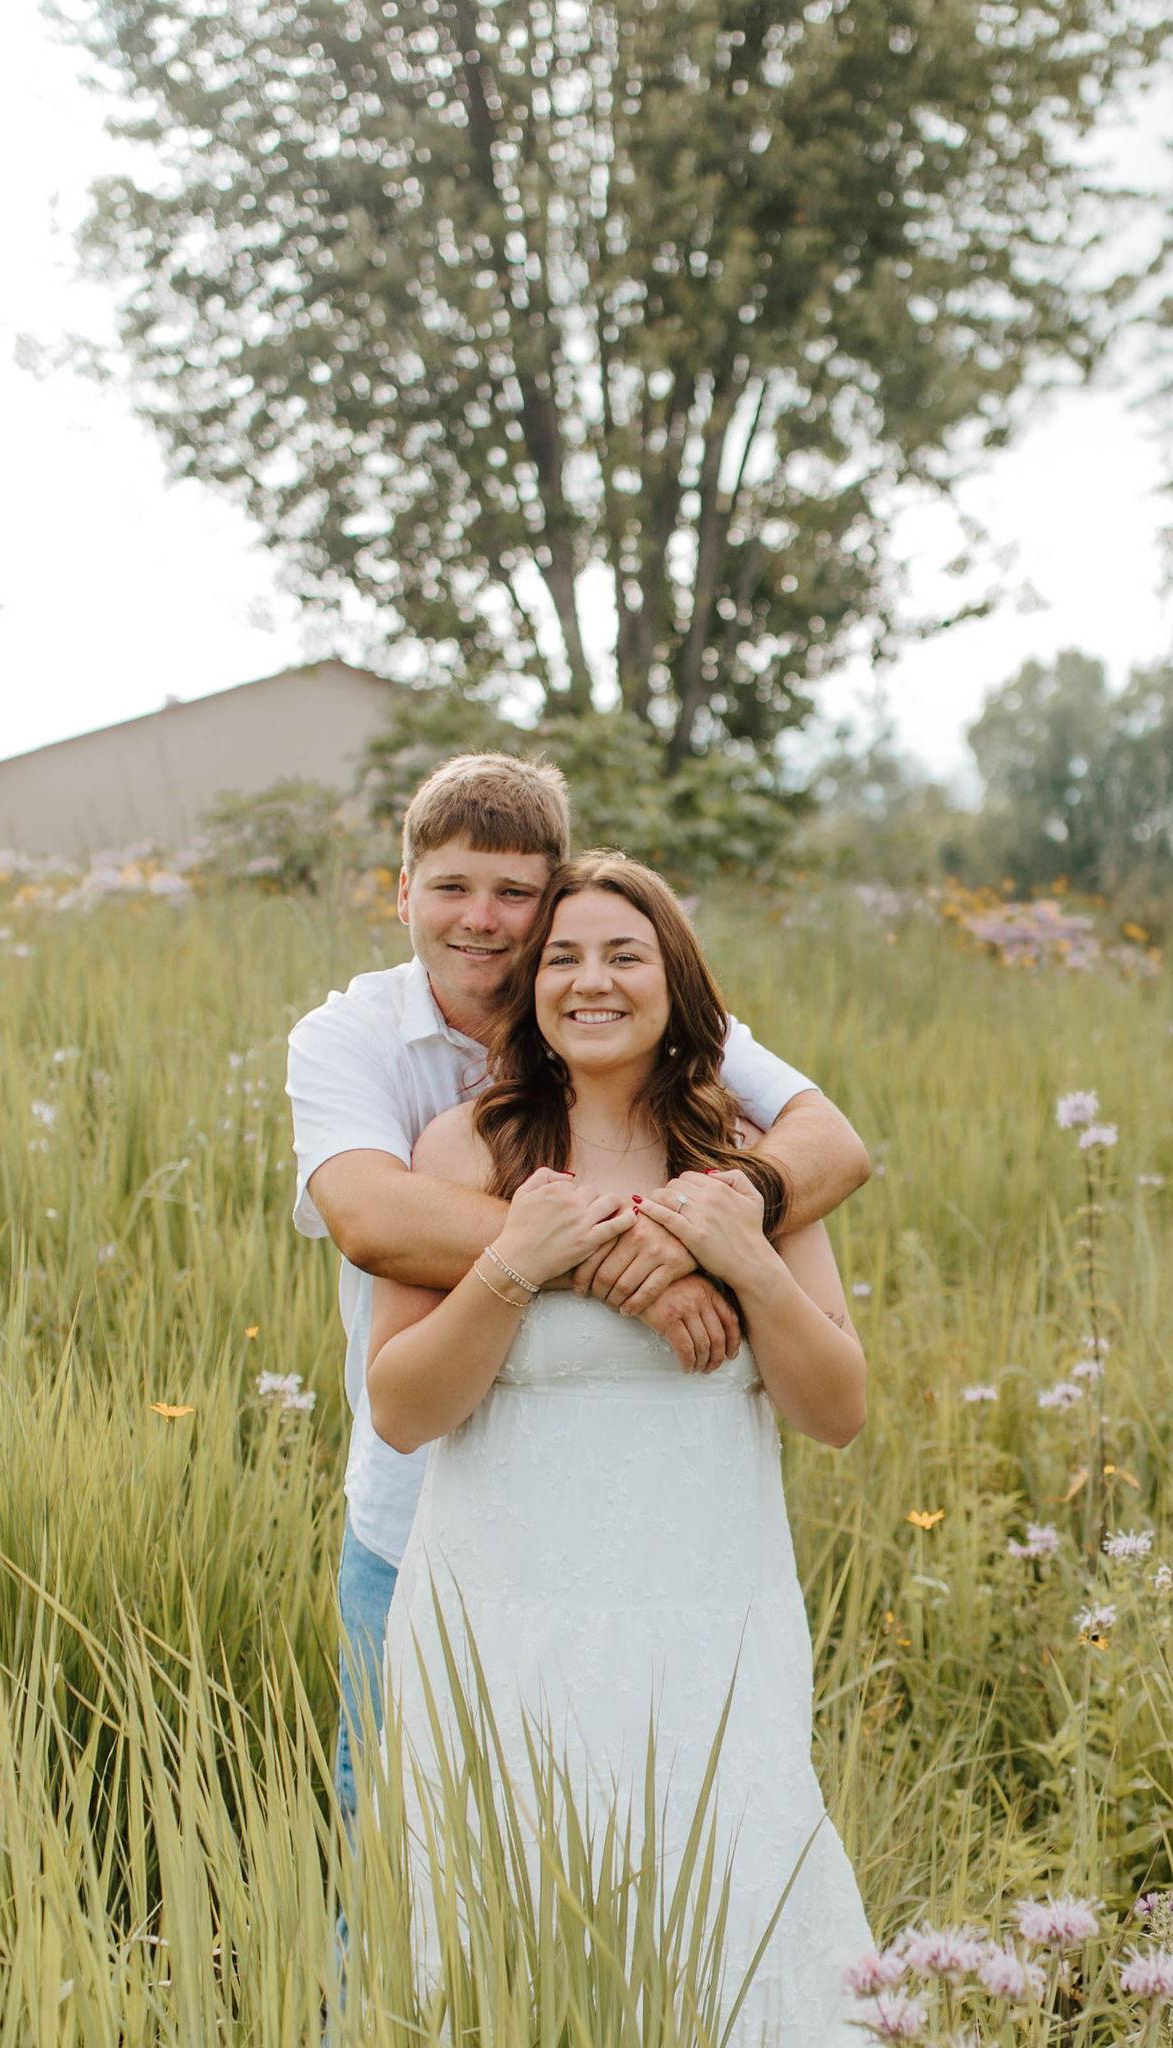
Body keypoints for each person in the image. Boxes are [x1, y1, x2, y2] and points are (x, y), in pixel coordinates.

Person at [286, 754, 870, 1829]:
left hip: (692, 1584)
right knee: (404, 1862)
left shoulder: (708, 1101)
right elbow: (372, 1221)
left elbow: (830, 1145)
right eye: (452, 886)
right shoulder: (378, 1065)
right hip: (434, 1536)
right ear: (403, 891)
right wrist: (625, 1257)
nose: (482, 919)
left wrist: (734, 1234)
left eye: (515, 893)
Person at [365, 851, 874, 2042]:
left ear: (675, 979)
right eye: (562, 957)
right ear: (530, 986)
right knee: (504, 1932)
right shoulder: (465, 1147)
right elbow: (400, 1408)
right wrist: (514, 1260)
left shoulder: (745, 1156)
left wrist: (743, 1257)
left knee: (725, 1912)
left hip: (706, 1619)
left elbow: (836, 1408)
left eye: (623, 954)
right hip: (499, 1620)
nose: (590, 981)